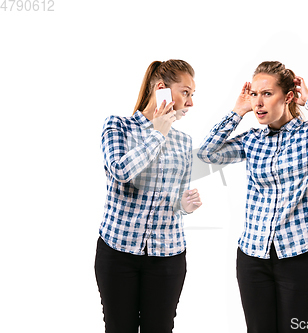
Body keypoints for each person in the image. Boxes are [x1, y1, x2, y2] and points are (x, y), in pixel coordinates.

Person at [197, 61, 308, 333]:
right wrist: (237, 111)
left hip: (301, 255)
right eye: (254, 94)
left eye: (267, 94)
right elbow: (206, 154)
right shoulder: (252, 140)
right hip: (253, 255)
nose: (258, 102)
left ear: (289, 96)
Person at [95, 59, 202, 333]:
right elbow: (120, 171)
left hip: (167, 256)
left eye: (192, 95)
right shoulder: (117, 126)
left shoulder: (184, 141)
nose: (190, 103)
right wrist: (157, 134)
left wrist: (184, 205)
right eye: (186, 92)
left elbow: (174, 200)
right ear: (162, 89)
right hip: (118, 252)